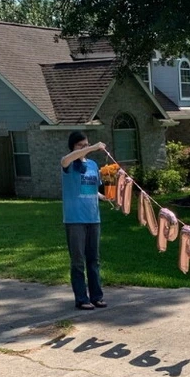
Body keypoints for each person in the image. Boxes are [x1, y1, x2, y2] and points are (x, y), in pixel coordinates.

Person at [61, 131, 109, 310]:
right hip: (75, 219)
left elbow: (91, 188)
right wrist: (93, 147)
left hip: (93, 218)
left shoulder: (93, 165)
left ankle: (97, 296)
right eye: (80, 145)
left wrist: (104, 197)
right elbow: (67, 159)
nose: (84, 148)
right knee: (78, 261)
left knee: (94, 260)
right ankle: (81, 299)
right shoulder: (67, 163)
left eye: (86, 145)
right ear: (73, 146)